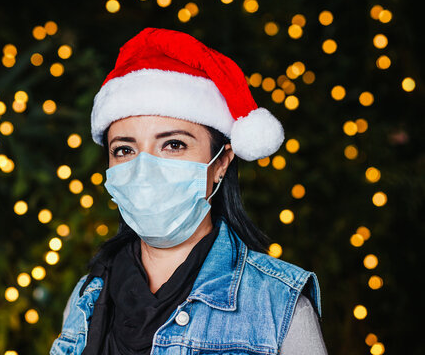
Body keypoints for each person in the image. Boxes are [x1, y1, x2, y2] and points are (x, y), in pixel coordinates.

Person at [50, 27, 328, 355]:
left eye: (173, 144)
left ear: (221, 162)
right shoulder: (86, 299)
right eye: (124, 150)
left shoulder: (278, 306)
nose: (145, 170)